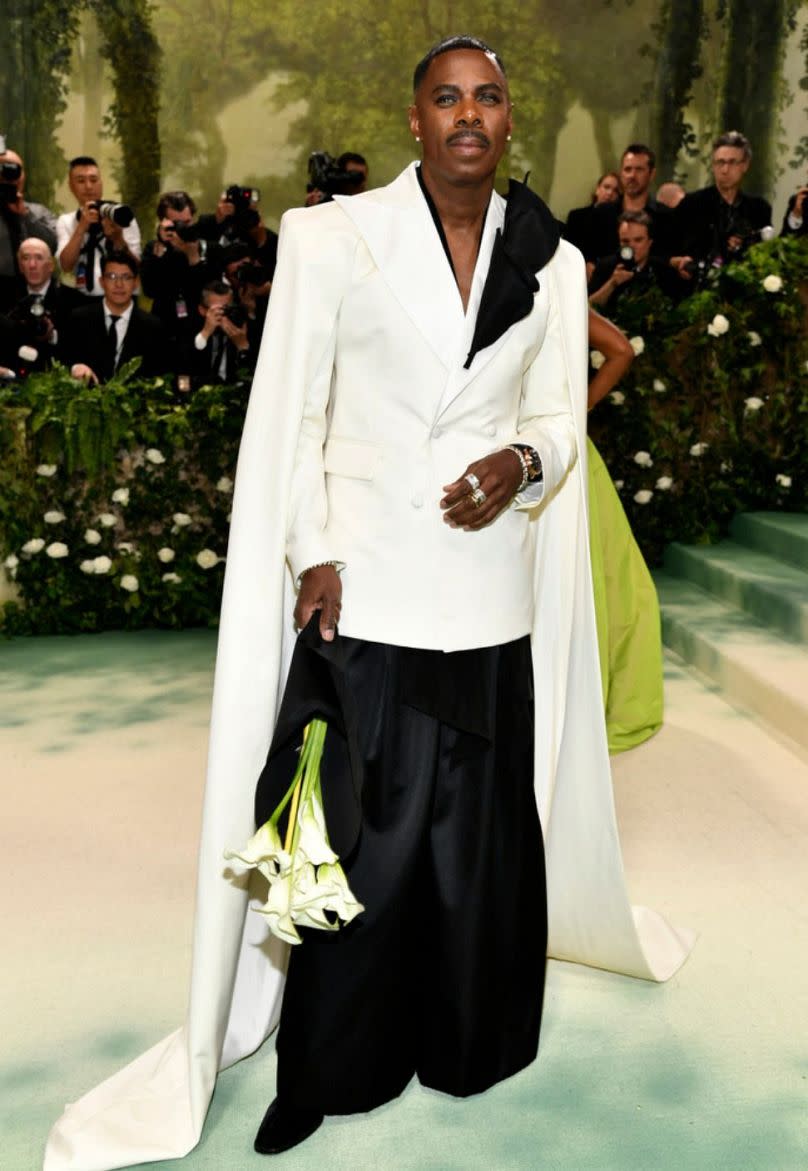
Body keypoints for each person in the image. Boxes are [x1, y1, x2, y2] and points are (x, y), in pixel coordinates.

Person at [45, 35, 692, 1171]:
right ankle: (322, 1067)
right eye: (446, 97)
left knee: (471, 844)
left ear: (507, 120)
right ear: (414, 119)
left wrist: (524, 469)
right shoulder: (330, 238)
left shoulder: (550, 259)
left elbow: (555, 415)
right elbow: (294, 415)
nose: (467, 116)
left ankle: (468, 1043)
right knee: (345, 843)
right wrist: (314, 552)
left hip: (488, 596)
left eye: (487, 98)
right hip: (368, 591)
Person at [587, 310, 664, 752]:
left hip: (549, 452)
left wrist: (579, 405)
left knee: (595, 576)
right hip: (548, 446)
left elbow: (620, 349)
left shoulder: (547, 273)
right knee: (605, 575)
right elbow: (620, 349)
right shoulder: (548, 271)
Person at [671, 132, 772, 282]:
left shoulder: (759, 209)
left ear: (745, 165)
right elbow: (665, 247)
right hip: (695, 291)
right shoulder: (692, 204)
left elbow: (767, 255)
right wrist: (678, 262)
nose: (725, 170)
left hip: (744, 292)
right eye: (720, 162)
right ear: (713, 165)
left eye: (732, 162)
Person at [64, 252, 167, 383]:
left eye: (126, 277)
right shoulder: (78, 319)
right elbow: (64, 360)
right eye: (112, 277)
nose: (119, 284)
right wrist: (76, 368)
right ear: (102, 282)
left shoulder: (153, 327)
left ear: (136, 282)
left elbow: (158, 374)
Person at [56, 156, 142, 296]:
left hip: (120, 298)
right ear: (71, 186)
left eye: (94, 180)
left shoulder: (121, 216)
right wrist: (81, 228)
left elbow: (137, 266)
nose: (89, 186)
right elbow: (66, 266)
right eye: (81, 181)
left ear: (101, 183)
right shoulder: (66, 221)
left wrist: (118, 239)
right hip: (80, 299)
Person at [140, 190, 218, 342]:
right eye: (177, 224)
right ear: (164, 222)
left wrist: (193, 257)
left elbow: (210, 293)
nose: (183, 228)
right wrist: (161, 251)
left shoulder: (208, 248)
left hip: (199, 329)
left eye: (187, 222)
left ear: (194, 218)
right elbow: (149, 289)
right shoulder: (155, 248)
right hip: (164, 327)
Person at [584, 144, 673, 267]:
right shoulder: (601, 214)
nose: (632, 175)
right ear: (621, 173)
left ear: (652, 174)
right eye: (628, 169)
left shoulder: (666, 217)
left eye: (639, 169)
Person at [1, 238, 82, 373]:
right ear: (20, 266)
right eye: (26, 258)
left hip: (54, 376)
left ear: (50, 265)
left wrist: (52, 336)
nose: (32, 265)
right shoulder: (5, 297)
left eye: (39, 258)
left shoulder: (71, 299)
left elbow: (77, 345)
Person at [0, 139, 58, 310]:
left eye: (14, 169)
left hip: (37, 292)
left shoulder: (38, 212)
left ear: (23, 175)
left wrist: (25, 214)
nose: (8, 174)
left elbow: (53, 245)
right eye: (2, 168)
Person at [588, 210, 679, 311]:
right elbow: (587, 309)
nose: (631, 246)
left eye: (638, 240)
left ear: (649, 242)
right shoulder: (605, 266)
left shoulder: (663, 270)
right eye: (625, 241)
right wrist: (612, 283)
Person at [563, 170, 621, 263]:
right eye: (606, 187)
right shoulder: (577, 216)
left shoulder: (620, 222)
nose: (610, 193)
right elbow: (568, 249)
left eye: (616, 190)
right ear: (597, 189)